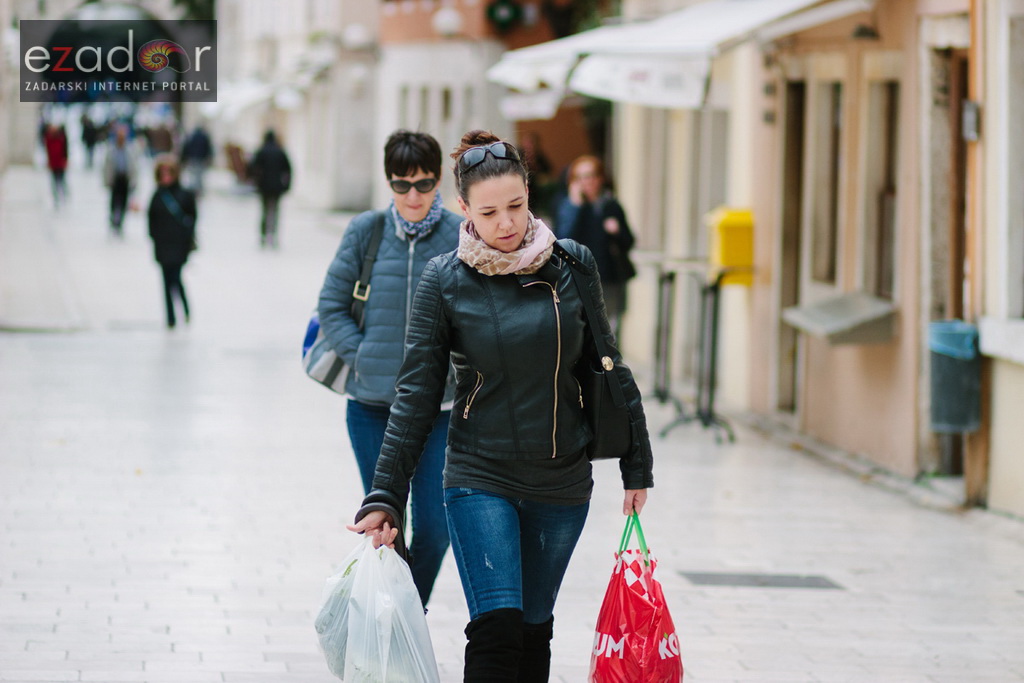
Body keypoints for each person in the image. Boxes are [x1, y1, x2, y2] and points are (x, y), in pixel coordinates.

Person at [348, 130, 654, 682]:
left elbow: (608, 365)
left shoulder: (573, 264)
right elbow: (416, 393)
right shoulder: (445, 281)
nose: (507, 223)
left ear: (530, 195)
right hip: (479, 473)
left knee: (535, 631)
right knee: (497, 631)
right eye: (490, 212)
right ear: (464, 209)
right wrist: (387, 494)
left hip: (561, 480)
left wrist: (637, 463)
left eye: (516, 206)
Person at [318, 130, 461, 607]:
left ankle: (405, 611)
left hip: (440, 409)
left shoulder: (461, 236)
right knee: (388, 522)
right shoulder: (367, 231)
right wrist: (362, 357)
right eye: (402, 185)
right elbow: (331, 305)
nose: (413, 196)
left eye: (423, 184)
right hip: (372, 406)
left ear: (438, 179)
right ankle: (394, 626)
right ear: (389, 183)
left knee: (438, 527)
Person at [555, 155, 636, 338]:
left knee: (610, 329)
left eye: (591, 175)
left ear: (600, 178)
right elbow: (561, 241)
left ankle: (609, 366)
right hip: (578, 279)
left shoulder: (611, 206)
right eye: (580, 177)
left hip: (609, 278)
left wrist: (616, 231)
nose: (587, 181)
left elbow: (629, 242)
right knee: (582, 329)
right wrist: (575, 206)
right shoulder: (568, 206)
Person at [147, 154, 197, 329]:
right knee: (165, 281)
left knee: (175, 278)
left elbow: (192, 218)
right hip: (162, 245)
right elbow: (151, 221)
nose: (166, 177)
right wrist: (155, 238)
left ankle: (184, 308)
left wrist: (187, 239)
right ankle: (170, 317)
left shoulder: (184, 195)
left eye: (169, 173)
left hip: (179, 245)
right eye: (163, 173)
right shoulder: (157, 196)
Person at [248, 130, 292, 248]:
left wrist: (255, 182)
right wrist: (287, 186)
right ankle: (274, 235)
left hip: (264, 186)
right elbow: (288, 169)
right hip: (277, 187)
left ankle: (263, 235)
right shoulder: (280, 151)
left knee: (264, 211)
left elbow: (252, 168)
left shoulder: (261, 151)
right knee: (275, 212)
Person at [103, 124, 140, 237]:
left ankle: (120, 223)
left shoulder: (130, 149)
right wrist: (107, 181)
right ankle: (113, 220)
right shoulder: (111, 149)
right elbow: (106, 167)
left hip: (125, 180)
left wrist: (134, 182)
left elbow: (134, 167)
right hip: (115, 180)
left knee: (123, 203)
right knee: (114, 202)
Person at [180, 125, 214, 196]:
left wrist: (184, 158)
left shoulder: (191, 136)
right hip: (201, 159)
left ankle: (194, 191)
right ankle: (198, 191)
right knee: (199, 176)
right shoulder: (204, 137)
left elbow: (186, 147)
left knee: (193, 175)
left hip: (192, 158)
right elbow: (208, 148)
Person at [42, 123, 69, 208]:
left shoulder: (61, 138)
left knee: (61, 180)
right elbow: (48, 151)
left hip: (60, 163)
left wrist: (65, 160)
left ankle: (64, 195)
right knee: (54, 181)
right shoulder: (48, 139)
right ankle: (56, 197)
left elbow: (65, 150)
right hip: (53, 163)